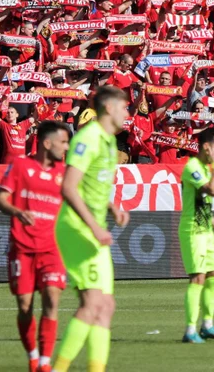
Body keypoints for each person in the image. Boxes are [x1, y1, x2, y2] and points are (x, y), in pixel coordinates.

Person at [52, 87, 131, 372]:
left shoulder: (110, 143)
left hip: (94, 228)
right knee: (93, 303)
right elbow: (69, 187)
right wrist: (95, 227)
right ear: (109, 108)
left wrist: (112, 208)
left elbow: (92, 186)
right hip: (77, 228)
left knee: (106, 306)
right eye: (124, 108)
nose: (128, 114)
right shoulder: (88, 138)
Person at [0, 122, 70, 372]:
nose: (66, 147)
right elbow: (1, 200)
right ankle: (33, 357)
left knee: (51, 299)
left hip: (52, 247)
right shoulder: (20, 166)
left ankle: (46, 364)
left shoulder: (65, 173)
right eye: (63, 142)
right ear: (47, 143)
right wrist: (18, 211)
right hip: (22, 247)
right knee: (25, 307)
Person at [180, 126, 214, 344]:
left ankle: (207, 326)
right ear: (206, 147)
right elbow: (213, 191)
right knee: (198, 277)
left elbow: (203, 204)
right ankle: (190, 330)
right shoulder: (192, 167)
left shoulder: (202, 166)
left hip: (206, 230)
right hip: (192, 230)